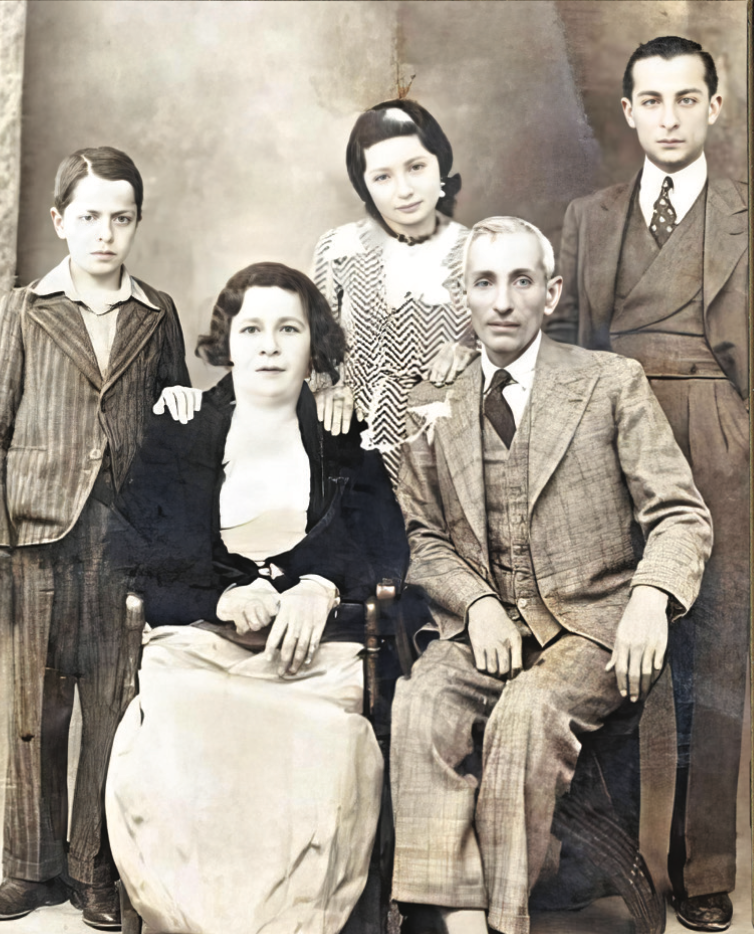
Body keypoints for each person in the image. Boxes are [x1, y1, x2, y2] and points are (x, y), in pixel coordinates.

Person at [390, 217, 712, 934]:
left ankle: (506, 922)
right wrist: (477, 603)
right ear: (464, 296)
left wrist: (650, 601)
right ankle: (454, 918)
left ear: (551, 292)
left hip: (593, 628)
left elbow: (680, 514)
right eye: (485, 282)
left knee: (527, 715)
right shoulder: (431, 398)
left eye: (522, 281)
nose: (503, 301)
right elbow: (424, 534)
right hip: (488, 627)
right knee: (422, 702)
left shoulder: (608, 382)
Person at [104, 262, 409, 934]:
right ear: (227, 341)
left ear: (314, 342)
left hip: (311, 656)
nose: (269, 346)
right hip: (198, 648)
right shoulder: (182, 426)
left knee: (322, 746)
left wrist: (321, 586)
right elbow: (130, 551)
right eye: (252, 329)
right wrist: (219, 597)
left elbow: (387, 544)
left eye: (288, 329)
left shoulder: (339, 431)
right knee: (185, 739)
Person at [545, 36, 748, 932]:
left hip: (719, 436)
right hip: (611, 435)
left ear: (715, 107)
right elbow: (568, 344)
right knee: (604, 636)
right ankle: (605, 858)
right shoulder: (588, 217)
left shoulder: (745, 214)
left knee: (713, 656)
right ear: (628, 113)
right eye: (652, 101)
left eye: (686, 99)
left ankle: (703, 870)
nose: (669, 118)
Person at [0, 147, 189, 929]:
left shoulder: (157, 313)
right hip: (34, 535)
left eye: (121, 218)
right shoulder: (23, 309)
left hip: (123, 540)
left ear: (137, 222)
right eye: (88, 217)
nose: (105, 233)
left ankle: (94, 868)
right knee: (29, 708)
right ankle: (28, 866)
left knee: (112, 704)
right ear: (59, 221)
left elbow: (175, 428)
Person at [311, 98, 475, 482]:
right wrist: (327, 389)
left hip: (449, 438)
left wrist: (471, 350)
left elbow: (513, 344)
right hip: (355, 437)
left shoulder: (477, 249)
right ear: (364, 186)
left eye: (416, 167)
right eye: (382, 177)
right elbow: (318, 345)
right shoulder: (338, 248)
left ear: (440, 165)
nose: (404, 190)